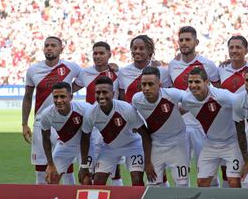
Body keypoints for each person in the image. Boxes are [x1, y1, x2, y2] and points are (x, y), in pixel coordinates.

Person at [22, 36, 81, 184]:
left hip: (64, 123)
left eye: (53, 45)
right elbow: (28, 97)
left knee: (66, 167)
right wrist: (24, 123)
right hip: (41, 123)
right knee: (41, 167)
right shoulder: (33, 70)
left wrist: (111, 67)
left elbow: (89, 76)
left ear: (61, 49)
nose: (49, 48)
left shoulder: (72, 67)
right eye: (46, 45)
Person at [168, 26, 221, 187]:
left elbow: (217, 94)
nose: (184, 43)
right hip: (179, 127)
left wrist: (194, 106)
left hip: (201, 126)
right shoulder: (172, 65)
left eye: (187, 39)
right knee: (180, 174)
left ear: (196, 42)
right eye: (181, 40)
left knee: (207, 174)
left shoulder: (208, 65)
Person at [118, 34, 172, 186]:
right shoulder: (123, 72)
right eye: (134, 48)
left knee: (157, 175)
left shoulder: (163, 72)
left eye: (141, 48)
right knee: (136, 177)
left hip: (156, 130)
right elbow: (122, 100)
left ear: (150, 51)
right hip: (133, 131)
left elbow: (167, 99)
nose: (137, 51)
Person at [72, 41, 123, 186]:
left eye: (101, 53)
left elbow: (123, 95)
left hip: (113, 124)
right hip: (93, 124)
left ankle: (117, 194)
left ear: (109, 55)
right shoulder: (85, 73)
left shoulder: (117, 73)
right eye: (95, 53)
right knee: (90, 165)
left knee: (115, 167)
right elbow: (71, 89)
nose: (98, 56)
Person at [218, 35, 248, 188]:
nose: (234, 50)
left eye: (238, 47)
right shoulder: (221, 70)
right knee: (228, 171)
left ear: (246, 50)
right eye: (231, 47)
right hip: (227, 127)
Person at [181, 67, 242, 188]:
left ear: (207, 82)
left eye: (197, 82)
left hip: (231, 143)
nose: (193, 85)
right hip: (210, 144)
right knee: (202, 183)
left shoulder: (222, 96)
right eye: (190, 82)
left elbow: (243, 102)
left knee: (234, 183)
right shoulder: (187, 100)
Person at [79, 77, 145, 186]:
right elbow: (85, 137)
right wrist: (84, 165)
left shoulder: (126, 108)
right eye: (98, 92)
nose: (101, 96)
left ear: (113, 93)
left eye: (105, 92)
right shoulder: (90, 113)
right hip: (109, 147)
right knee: (98, 181)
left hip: (133, 145)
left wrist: (148, 160)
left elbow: (144, 134)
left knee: (137, 179)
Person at [132, 66, 190, 187]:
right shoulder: (137, 100)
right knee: (152, 185)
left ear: (159, 85)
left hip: (178, 143)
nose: (147, 88)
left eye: (151, 84)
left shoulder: (172, 94)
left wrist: (185, 108)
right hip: (156, 144)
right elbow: (133, 118)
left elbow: (191, 98)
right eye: (144, 84)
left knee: (182, 184)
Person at [41, 82, 92, 184]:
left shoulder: (85, 109)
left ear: (71, 97)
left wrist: (84, 165)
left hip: (87, 146)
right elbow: (46, 139)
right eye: (56, 97)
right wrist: (50, 164)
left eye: (63, 97)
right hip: (65, 144)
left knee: (86, 179)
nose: (59, 100)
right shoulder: (47, 114)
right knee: (52, 177)